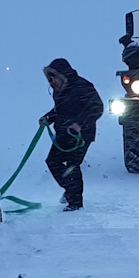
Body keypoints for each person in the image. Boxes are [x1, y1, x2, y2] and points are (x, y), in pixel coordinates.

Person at [39, 57, 103, 211]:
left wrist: (80, 123)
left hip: (82, 135)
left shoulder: (83, 86)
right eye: (49, 80)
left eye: (53, 78)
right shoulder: (58, 91)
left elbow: (97, 108)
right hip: (63, 133)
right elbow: (59, 110)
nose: (51, 82)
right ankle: (70, 191)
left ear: (62, 75)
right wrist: (48, 117)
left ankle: (75, 202)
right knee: (52, 161)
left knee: (72, 166)